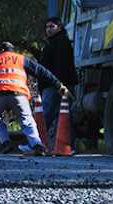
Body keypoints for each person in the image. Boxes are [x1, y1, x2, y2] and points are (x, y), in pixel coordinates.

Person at [0, 42, 68, 155]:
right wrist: (58, 85)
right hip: (18, 94)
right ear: (13, 51)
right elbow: (42, 71)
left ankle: (5, 143)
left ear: (0, 51)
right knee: (27, 120)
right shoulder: (20, 59)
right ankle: (37, 145)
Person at [40, 17, 78, 150]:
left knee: (46, 115)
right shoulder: (53, 42)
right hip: (56, 84)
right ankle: (67, 145)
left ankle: (37, 143)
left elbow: (61, 66)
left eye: (52, 27)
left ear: (59, 27)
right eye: (47, 27)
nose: (49, 29)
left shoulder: (60, 43)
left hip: (55, 85)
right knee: (64, 115)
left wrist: (57, 84)